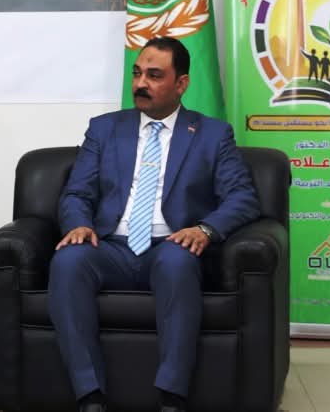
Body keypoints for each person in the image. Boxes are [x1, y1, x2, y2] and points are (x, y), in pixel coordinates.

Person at [50, 37, 260, 412]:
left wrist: (204, 230)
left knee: (177, 262)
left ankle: (172, 396)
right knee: (68, 261)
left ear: (181, 83)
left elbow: (242, 196)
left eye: (154, 75)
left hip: (171, 245)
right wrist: (79, 224)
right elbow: (76, 191)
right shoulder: (104, 129)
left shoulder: (212, 134)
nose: (140, 84)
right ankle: (89, 394)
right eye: (137, 74)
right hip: (110, 246)